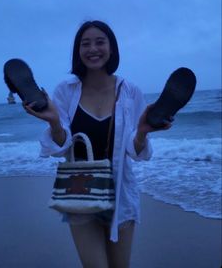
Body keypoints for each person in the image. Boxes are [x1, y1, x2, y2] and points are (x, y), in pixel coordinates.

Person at [24, 20, 171, 268]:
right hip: (79, 192)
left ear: (111, 48)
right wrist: (54, 123)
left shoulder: (130, 91)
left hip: (120, 193)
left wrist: (143, 132)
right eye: (85, 43)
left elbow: (136, 153)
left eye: (100, 42)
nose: (93, 48)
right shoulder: (66, 91)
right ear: (78, 51)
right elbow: (60, 147)